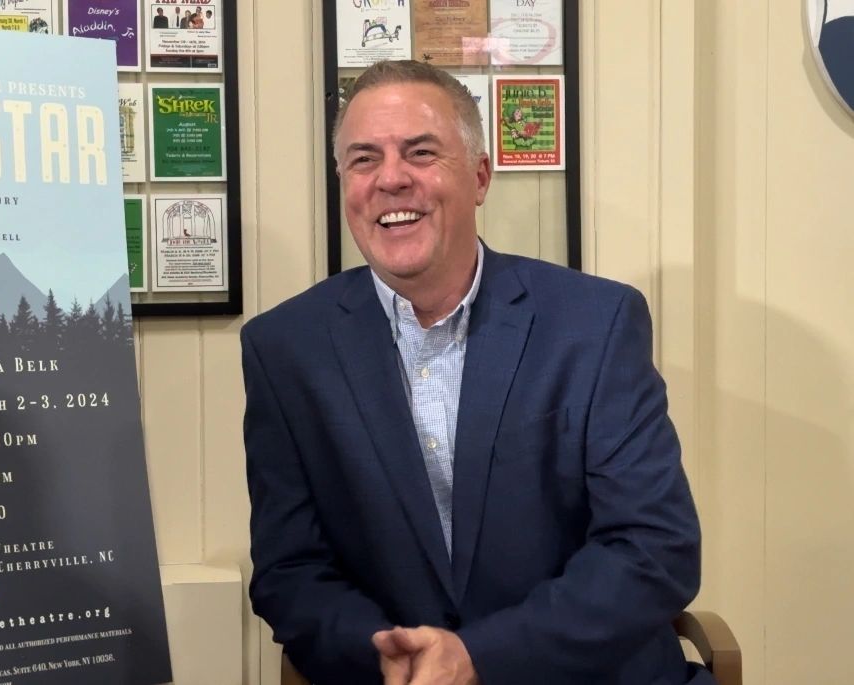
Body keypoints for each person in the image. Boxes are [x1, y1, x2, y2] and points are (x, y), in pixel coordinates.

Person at [242, 60, 714, 685]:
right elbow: (290, 570)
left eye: (421, 151)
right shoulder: (285, 350)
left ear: (481, 177)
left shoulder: (595, 323)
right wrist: (387, 657)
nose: (390, 179)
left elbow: (656, 548)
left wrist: (479, 658)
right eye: (363, 159)